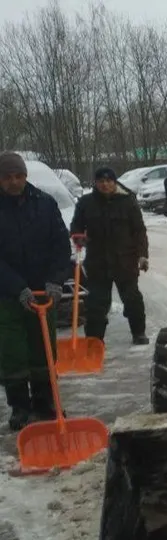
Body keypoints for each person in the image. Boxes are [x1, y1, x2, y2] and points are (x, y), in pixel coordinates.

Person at [0, 151, 72, 431]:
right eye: (7, 177)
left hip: (43, 291)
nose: (14, 182)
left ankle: (45, 402)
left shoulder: (45, 203)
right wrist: (18, 288)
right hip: (7, 295)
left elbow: (60, 245)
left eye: (18, 176)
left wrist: (55, 281)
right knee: (13, 352)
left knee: (44, 348)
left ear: (25, 176)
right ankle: (20, 407)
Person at [70, 167, 150, 346]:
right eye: (101, 181)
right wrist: (78, 237)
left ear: (114, 182)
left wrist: (143, 255)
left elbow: (139, 231)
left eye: (108, 181)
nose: (105, 184)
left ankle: (138, 332)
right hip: (98, 262)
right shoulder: (86, 203)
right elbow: (76, 226)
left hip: (125, 260)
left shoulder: (127, 201)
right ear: (95, 183)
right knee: (96, 304)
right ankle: (94, 341)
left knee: (132, 299)